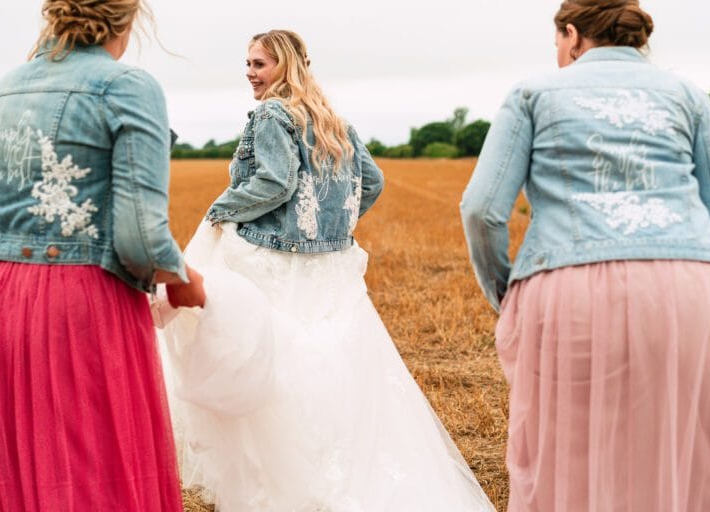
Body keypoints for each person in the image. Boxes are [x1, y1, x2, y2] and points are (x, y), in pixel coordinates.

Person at [158, 29, 495, 512]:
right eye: (248, 64)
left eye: (259, 64)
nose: (250, 73)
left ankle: (285, 482)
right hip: (333, 266)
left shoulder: (273, 112)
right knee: (335, 367)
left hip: (275, 260)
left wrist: (221, 209)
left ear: (287, 65)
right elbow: (372, 182)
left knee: (274, 366)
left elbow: (275, 183)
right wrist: (329, 224)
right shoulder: (332, 117)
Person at [460, 1, 710, 510]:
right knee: (687, 458)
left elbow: (482, 211)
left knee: (575, 461)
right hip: (700, 290)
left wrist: (507, 293)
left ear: (572, 35)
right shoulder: (687, 94)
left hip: (572, 292)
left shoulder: (534, 93)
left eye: (558, 42)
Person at [0, 1, 205, 510]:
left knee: (25, 465)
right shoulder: (127, 86)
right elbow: (140, 236)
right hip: (83, 302)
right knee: (96, 472)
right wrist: (181, 278)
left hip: (6, 295)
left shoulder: (7, 86)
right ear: (129, 20)